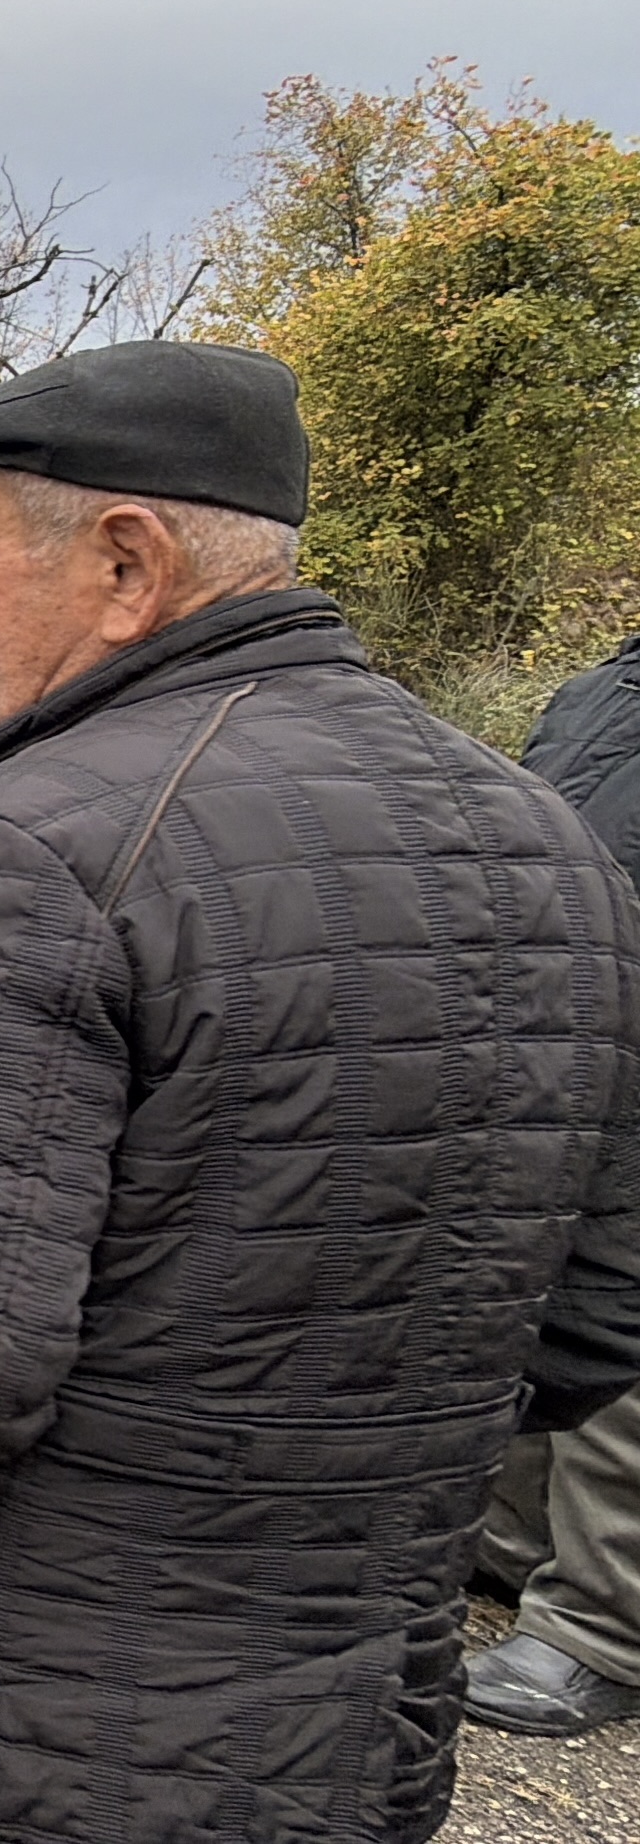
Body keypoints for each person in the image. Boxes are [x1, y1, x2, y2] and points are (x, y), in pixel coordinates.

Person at [0, 341, 640, 1844]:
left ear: (125, 562)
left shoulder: (35, 850)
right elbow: (593, 1314)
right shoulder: (547, 845)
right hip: (327, 1752)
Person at [469, 628, 640, 1737]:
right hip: (574, 1013)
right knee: (540, 1275)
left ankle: (603, 1628)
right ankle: (512, 1547)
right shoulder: (604, 687)